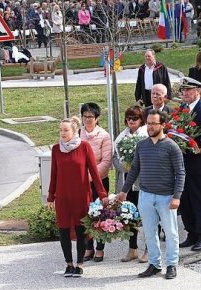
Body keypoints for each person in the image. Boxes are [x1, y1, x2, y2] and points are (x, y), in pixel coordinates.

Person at [117, 109, 185, 280]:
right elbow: (134, 170)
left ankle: (171, 265)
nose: (150, 126)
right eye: (148, 123)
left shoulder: (172, 147)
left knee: (170, 232)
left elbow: (180, 173)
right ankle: (154, 264)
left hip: (166, 197)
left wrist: (176, 196)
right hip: (145, 195)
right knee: (149, 232)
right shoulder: (141, 145)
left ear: (163, 125)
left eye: (154, 123)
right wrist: (124, 191)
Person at [47, 116, 108, 277]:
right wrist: (50, 197)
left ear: (75, 131)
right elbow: (54, 174)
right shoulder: (55, 149)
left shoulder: (84, 147)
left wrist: (102, 194)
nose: (62, 133)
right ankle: (69, 264)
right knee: (64, 231)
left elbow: (94, 172)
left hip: (81, 195)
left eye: (66, 130)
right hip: (63, 197)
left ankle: (80, 264)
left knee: (81, 230)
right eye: (60, 130)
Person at [177, 77, 201, 251]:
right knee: (185, 201)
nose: (185, 93)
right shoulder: (183, 109)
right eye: (183, 90)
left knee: (200, 201)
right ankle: (191, 233)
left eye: (188, 90)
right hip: (183, 165)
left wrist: (188, 144)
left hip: (198, 164)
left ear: (198, 92)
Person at [113, 106, 149, 263]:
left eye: (134, 118)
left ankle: (149, 249)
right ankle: (132, 248)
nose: (131, 121)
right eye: (128, 118)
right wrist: (124, 166)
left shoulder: (146, 134)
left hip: (143, 181)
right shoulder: (122, 136)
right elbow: (114, 157)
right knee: (129, 215)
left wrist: (135, 166)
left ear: (141, 119)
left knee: (148, 216)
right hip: (127, 182)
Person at [79, 103, 113, 263]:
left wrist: (89, 177)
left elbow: (106, 161)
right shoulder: (78, 134)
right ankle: (88, 247)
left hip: (99, 182)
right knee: (85, 214)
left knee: (99, 213)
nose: (87, 120)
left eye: (90, 117)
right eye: (85, 116)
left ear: (97, 118)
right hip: (81, 182)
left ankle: (100, 248)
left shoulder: (104, 136)